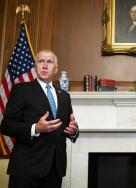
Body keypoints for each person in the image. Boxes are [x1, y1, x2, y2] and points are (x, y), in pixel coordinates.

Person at [1, 49, 79, 188]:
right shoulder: (21, 90)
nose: (44, 65)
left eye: (49, 62)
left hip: (55, 170)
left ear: (56, 69)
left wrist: (73, 131)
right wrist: (35, 128)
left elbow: (69, 125)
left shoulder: (64, 95)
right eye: (41, 61)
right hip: (26, 169)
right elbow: (6, 125)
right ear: (35, 66)